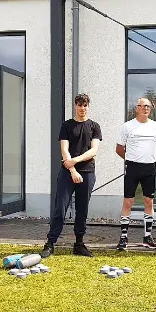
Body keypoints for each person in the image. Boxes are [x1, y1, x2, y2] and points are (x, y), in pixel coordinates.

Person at [40, 93, 102, 258]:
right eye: (79, 105)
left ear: (88, 106)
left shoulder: (94, 126)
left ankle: (79, 244)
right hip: (67, 173)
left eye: (85, 105)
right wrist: (73, 170)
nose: (82, 108)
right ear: (75, 106)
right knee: (60, 208)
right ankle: (50, 243)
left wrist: (75, 160)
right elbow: (64, 149)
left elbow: (93, 150)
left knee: (82, 210)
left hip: (87, 173)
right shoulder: (67, 126)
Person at [115, 97, 156, 251]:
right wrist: (132, 159)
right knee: (128, 202)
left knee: (149, 201)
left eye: (148, 106)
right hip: (132, 168)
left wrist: (149, 159)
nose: (145, 108)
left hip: (149, 168)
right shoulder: (127, 126)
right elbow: (119, 148)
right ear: (136, 108)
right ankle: (123, 238)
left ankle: (147, 237)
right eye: (142, 106)